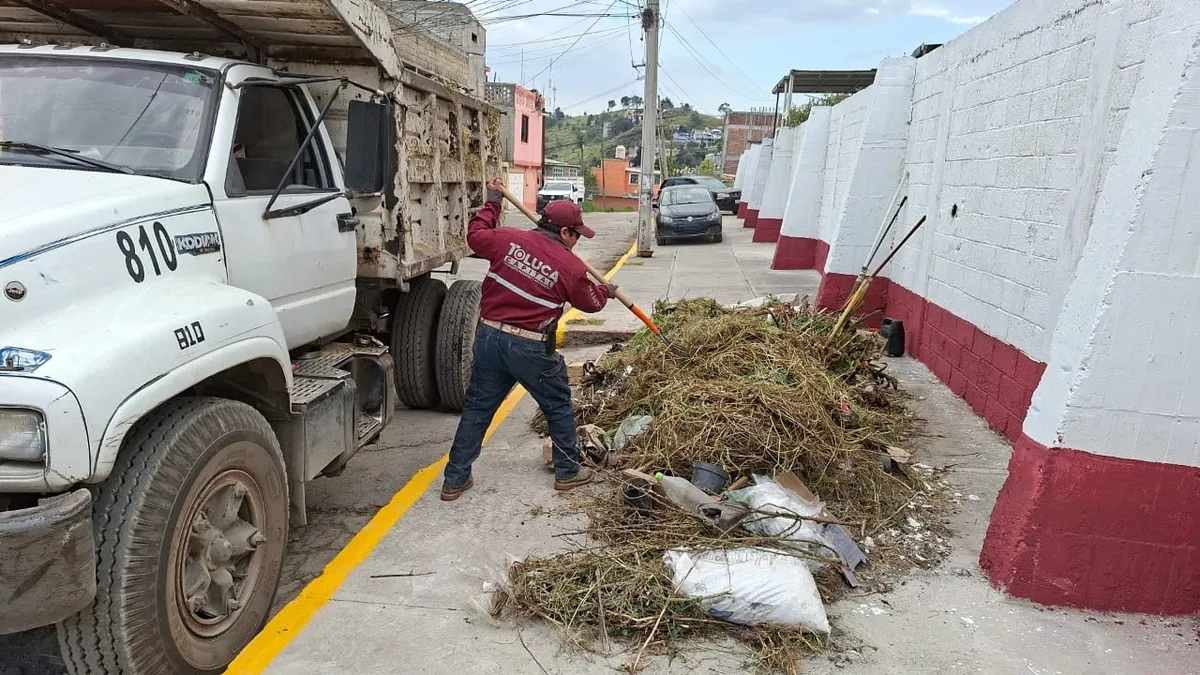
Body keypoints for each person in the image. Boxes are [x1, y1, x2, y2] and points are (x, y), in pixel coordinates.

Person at [440, 178, 618, 501]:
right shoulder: (570, 267)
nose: (578, 241)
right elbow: (591, 303)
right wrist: (606, 290)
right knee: (558, 405)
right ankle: (567, 472)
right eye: (577, 234)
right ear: (564, 232)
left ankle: (455, 478)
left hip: (489, 338)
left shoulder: (507, 240)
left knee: (478, 408)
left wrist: (493, 203)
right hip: (530, 347)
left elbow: (475, 234)